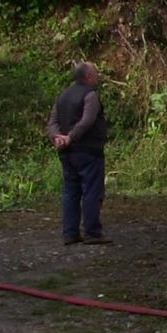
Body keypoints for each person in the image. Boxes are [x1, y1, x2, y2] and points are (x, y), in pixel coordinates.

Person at [47, 61, 109, 245]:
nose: (97, 76)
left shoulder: (63, 95)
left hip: (67, 152)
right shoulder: (90, 95)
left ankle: (70, 232)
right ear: (88, 76)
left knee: (71, 192)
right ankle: (92, 232)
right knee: (91, 191)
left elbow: (52, 122)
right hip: (87, 149)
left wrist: (57, 137)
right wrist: (70, 137)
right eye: (95, 73)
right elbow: (87, 120)